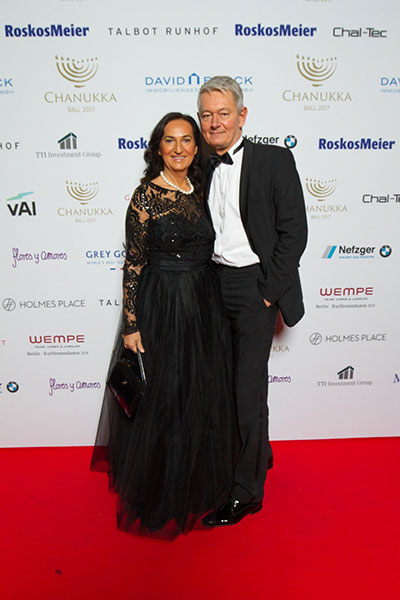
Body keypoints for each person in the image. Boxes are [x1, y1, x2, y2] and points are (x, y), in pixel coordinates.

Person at [91, 112, 237, 539]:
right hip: (163, 305)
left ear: (196, 147)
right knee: (166, 397)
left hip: (204, 302)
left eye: (187, 140)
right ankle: (160, 493)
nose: (178, 148)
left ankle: (197, 486)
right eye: (169, 140)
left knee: (201, 393)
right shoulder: (146, 196)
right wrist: (131, 324)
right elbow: (133, 263)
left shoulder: (203, 189)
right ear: (158, 147)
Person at [198, 76, 307, 527]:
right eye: (207, 114)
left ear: (242, 116)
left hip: (253, 288)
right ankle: (257, 454)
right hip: (211, 286)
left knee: (247, 389)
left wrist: (267, 294)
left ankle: (246, 493)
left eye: (224, 113)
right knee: (223, 387)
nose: (215, 122)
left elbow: (294, 233)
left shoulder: (274, 160)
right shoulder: (198, 165)